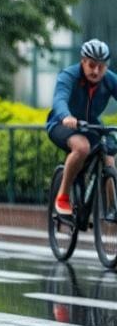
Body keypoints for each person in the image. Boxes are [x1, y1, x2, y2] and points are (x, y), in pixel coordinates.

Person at [46, 38, 117, 216]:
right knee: (82, 147)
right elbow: (59, 99)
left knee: (109, 156)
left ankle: (112, 208)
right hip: (61, 124)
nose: (96, 71)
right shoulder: (69, 76)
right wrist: (66, 116)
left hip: (91, 125)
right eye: (92, 65)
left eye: (101, 66)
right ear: (83, 61)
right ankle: (62, 196)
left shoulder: (109, 80)